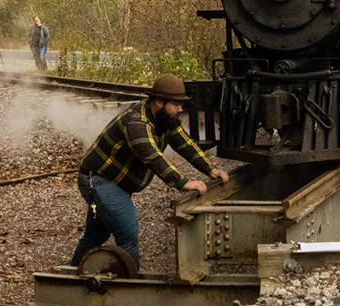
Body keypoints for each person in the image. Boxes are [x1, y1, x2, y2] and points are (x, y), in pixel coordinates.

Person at [72, 74, 229, 270]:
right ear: (159, 102)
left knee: (95, 235)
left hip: (113, 182)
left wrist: (211, 169)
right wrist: (183, 182)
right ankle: (131, 287)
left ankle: (72, 276)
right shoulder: (136, 122)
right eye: (176, 104)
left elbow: (186, 145)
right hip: (99, 181)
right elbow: (152, 156)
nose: (181, 109)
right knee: (128, 235)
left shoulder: (164, 119)